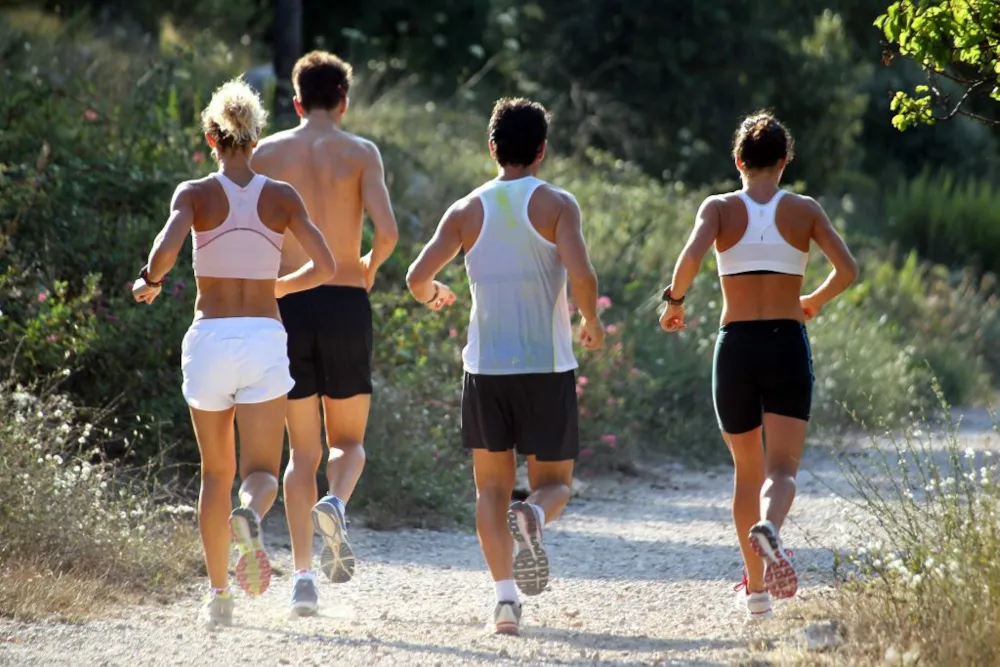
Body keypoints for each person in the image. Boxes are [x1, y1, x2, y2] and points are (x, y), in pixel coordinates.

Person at [131, 78, 337, 628]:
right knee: (262, 470)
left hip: (210, 339)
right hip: (264, 338)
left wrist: (149, 280)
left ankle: (219, 596)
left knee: (213, 473)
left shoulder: (194, 194)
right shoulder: (281, 197)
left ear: (211, 137)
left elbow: (167, 246)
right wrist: (278, 288)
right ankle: (251, 515)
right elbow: (326, 266)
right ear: (256, 136)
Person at [405, 98, 605, 635]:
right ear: (542, 151)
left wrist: (433, 295)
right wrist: (591, 321)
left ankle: (505, 602)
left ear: (492, 148)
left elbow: (416, 276)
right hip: (546, 367)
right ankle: (535, 516)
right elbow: (581, 274)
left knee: (490, 491)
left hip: (486, 370)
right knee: (554, 484)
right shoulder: (558, 205)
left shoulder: (466, 210)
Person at [657, 112, 858, 620]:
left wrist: (675, 302)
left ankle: (756, 592)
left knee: (746, 472)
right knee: (782, 469)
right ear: (785, 161)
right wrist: (812, 299)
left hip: (737, 346)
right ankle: (771, 526)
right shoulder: (804, 210)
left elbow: (690, 258)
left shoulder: (720, 208)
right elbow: (849, 270)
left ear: (738, 160)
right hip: (787, 342)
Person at [251, 51, 399, 616]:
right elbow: (387, 232)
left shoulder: (266, 153)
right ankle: (336, 501)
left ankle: (303, 581)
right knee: (350, 443)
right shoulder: (361, 153)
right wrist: (366, 267)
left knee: (300, 453)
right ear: (343, 101)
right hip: (343, 301)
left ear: (294, 101)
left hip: (286, 303)